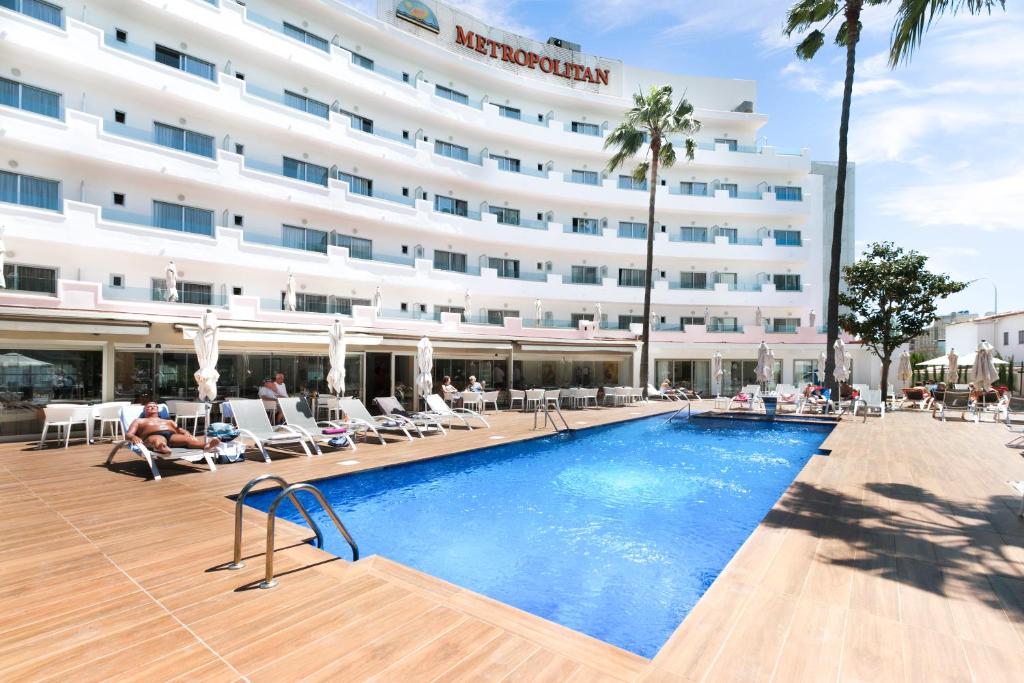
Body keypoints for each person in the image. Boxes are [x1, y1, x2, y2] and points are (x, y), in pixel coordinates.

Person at [126, 402, 219, 454]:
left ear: (158, 410)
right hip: (152, 435)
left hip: (171, 435)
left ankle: (207, 446)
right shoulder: (139, 421)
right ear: (145, 410)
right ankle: (161, 447)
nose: (152, 407)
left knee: (187, 440)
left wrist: (185, 432)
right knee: (157, 440)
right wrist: (134, 437)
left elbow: (179, 429)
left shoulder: (168, 421)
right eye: (149, 407)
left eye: (154, 406)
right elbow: (129, 434)